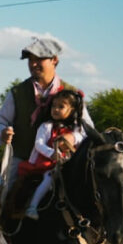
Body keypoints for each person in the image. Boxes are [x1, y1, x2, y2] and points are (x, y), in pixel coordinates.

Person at [0, 37, 93, 198]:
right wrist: (2, 132)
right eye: (30, 60)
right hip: (23, 159)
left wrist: (73, 137)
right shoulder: (17, 92)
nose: (33, 64)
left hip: (62, 162)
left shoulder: (72, 94)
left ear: (54, 60)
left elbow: (88, 129)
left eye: (39, 59)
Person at [21, 89, 86, 219]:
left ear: (72, 110)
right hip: (48, 163)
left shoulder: (76, 129)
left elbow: (82, 139)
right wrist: (52, 153)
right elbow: (38, 144)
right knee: (49, 177)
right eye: (54, 106)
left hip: (67, 163)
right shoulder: (46, 126)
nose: (55, 109)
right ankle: (32, 207)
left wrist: (74, 138)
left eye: (61, 106)